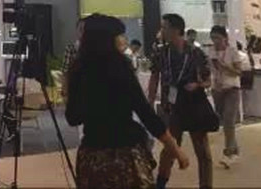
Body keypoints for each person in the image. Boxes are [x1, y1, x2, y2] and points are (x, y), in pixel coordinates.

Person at [66, 14, 188, 188]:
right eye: (119, 35)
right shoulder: (120, 68)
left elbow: (72, 118)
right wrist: (174, 148)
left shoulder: (78, 70)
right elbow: (145, 113)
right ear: (107, 39)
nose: (123, 40)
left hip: (92, 156)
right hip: (123, 155)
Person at [148, 13, 213, 189]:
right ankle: (161, 184)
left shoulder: (195, 52)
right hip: (171, 107)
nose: (161, 31)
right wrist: (150, 101)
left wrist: (197, 85)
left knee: (202, 151)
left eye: (164, 27)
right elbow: (154, 77)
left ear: (176, 30)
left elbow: (208, 80)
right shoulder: (161, 52)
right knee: (170, 148)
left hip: (193, 105)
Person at [209, 25, 243, 168]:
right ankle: (234, 148)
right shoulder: (211, 51)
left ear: (225, 38)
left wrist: (225, 66)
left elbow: (239, 72)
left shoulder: (232, 51)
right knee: (224, 120)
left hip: (232, 89)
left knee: (229, 120)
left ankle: (228, 152)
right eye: (213, 38)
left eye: (218, 38)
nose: (215, 41)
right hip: (217, 89)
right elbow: (210, 69)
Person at [62, 18, 85, 100]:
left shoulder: (95, 49)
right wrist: (65, 90)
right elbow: (65, 71)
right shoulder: (70, 48)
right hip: (75, 88)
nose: (83, 32)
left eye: (86, 30)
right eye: (81, 29)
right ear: (77, 31)